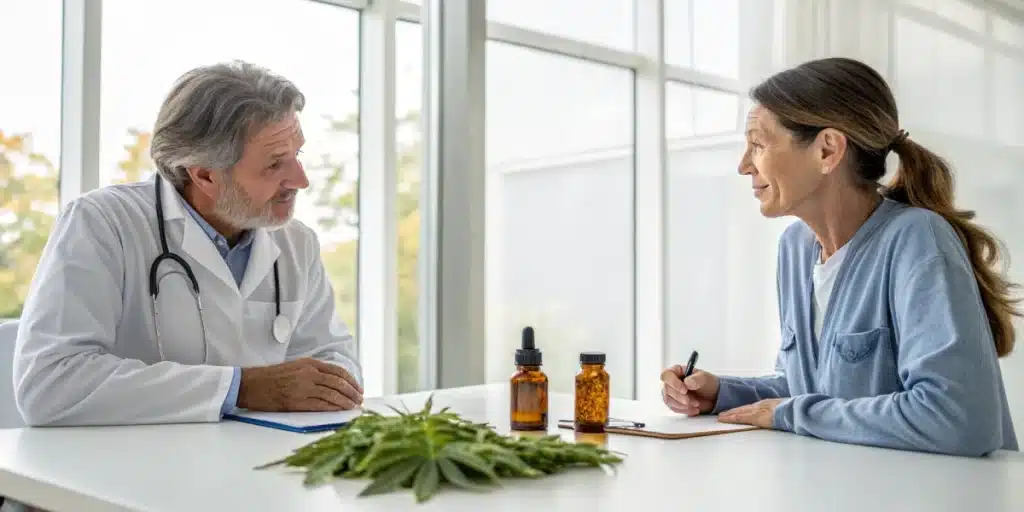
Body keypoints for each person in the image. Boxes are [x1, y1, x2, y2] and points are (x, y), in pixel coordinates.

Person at [660, 57, 1019, 457]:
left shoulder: (919, 240)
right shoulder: (795, 248)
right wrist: (722, 393)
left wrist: (790, 414)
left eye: (758, 144)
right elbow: (812, 391)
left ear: (827, 150)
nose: (744, 165)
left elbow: (959, 418)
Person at [12, 61, 364, 427]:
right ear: (205, 174)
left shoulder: (296, 243)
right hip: (126, 470)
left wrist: (331, 384)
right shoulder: (103, 223)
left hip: (259, 464)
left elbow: (333, 357)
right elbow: (50, 384)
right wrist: (241, 388)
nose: (300, 180)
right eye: (275, 164)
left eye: (298, 155)